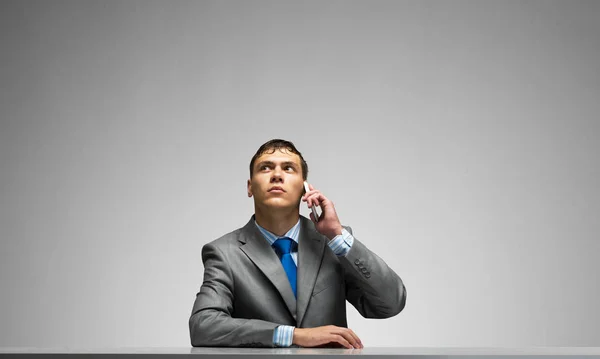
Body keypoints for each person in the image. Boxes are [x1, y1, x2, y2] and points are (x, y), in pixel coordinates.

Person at [189, 139, 406, 348]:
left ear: (305, 188)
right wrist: (292, 335)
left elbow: (391, 303)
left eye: (288, 168)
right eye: (265, 168)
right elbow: (203, 325)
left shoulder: (332, 244)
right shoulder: (224, 252)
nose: (276, 175)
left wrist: (337, 236)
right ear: (250, 187)